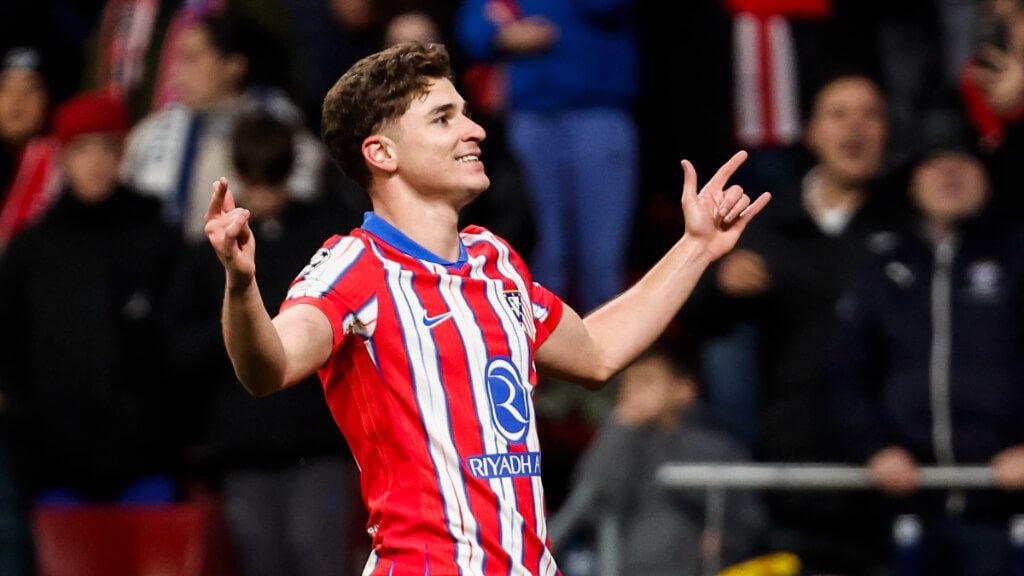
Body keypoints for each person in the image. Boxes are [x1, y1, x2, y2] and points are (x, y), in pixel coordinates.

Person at [203, 42, 769, 575]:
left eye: (466, 114)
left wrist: (694, 249)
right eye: (444, 118)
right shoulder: (356, 265)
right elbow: (268, 367)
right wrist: (240, 283)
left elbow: (598, 353)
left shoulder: (493, 261)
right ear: (381, 153)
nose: (475, 130)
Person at [686, 73, 897, 573]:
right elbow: (700, 323)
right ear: (812, 132)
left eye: (871, 114)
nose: (857, 128)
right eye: (840, 114)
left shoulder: (905, 221)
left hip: (892, 470)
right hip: (789, 471)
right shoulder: (768, 220)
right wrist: (721, 285)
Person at [167, 111, 355, 576]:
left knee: (322, 559)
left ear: (291, 172)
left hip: (320, 441)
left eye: (275, 178)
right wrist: (243, 330)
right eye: (255, 179)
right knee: (262, 563)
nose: (266, 195)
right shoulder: (214, 250)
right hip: (244, 447)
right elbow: (175, 349)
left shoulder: (327, 240)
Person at [831, 139, 1024, 576]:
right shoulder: (880, 263)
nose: (950, 174)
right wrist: (875, 448)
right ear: (912, 180)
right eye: (935, 162)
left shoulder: (1017, 254)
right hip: (905, 506)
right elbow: (846, 373)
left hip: (1007, 509)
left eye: (964, 162)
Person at [0, 90, 182, 504]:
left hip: (148, 460)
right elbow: (10, 347)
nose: (95, 162)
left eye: (106, 148)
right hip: (55, 466)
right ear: (63, 158)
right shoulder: (32, 249)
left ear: (121, 155)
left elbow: (177, 339)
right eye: (82, 150)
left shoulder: (158, 238)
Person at [568, 347, 767, 576]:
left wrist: (728, 542)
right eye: (627, 384)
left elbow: (750, 519)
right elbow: (588, 503)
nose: (632, 391)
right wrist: (621, 427)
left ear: (685, 389)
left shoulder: (718, 444)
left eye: (647, 381)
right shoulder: (618, 439)